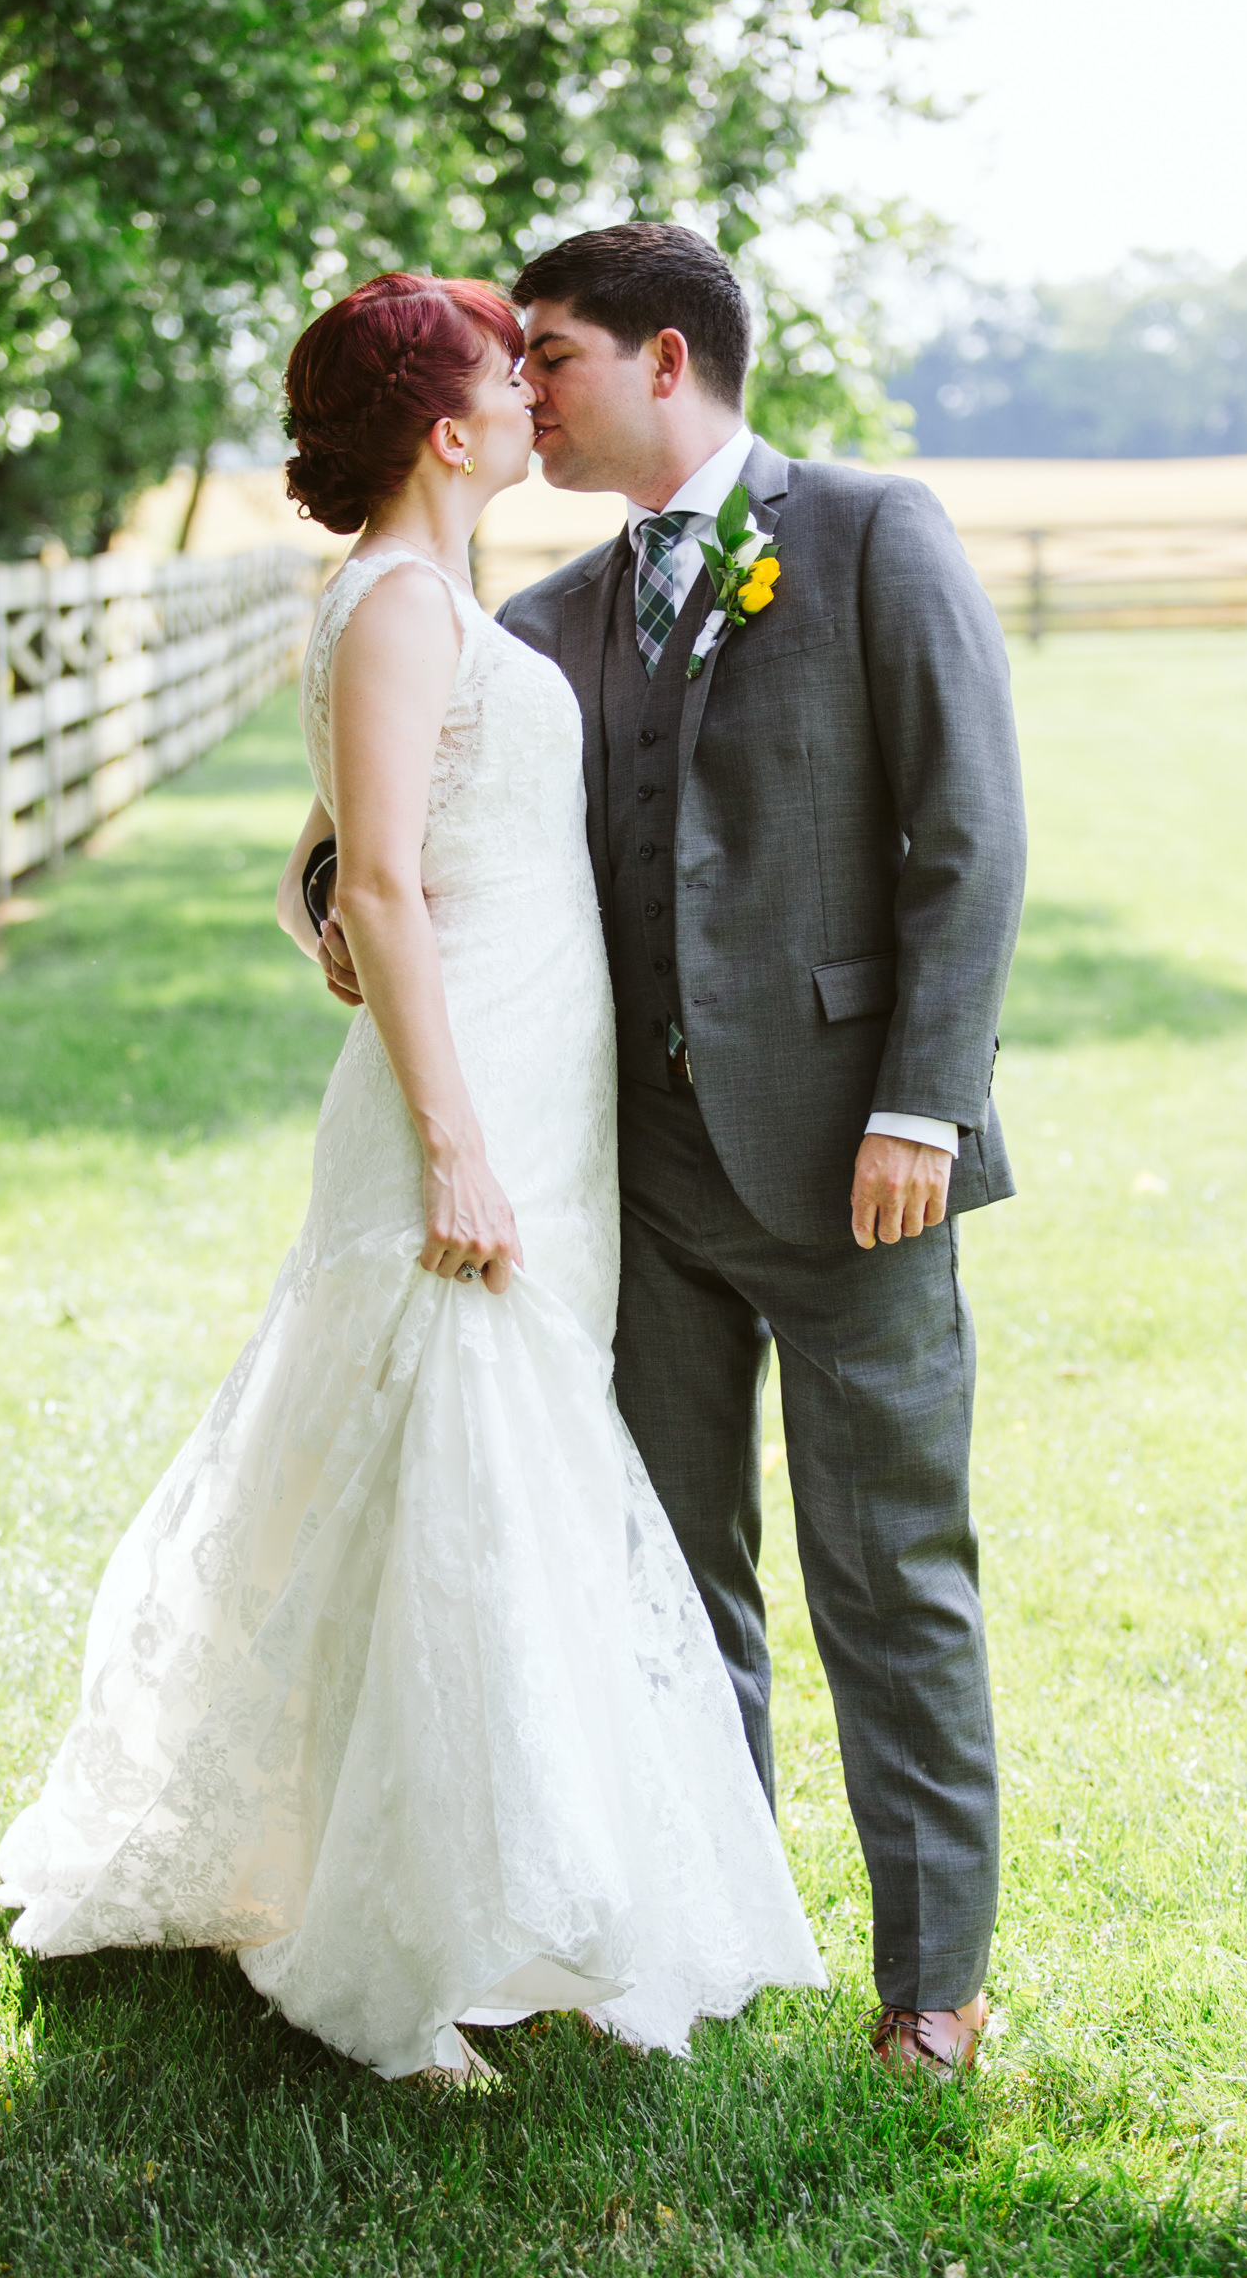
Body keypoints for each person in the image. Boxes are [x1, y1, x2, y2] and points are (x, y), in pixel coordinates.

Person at [0, 272, 825, 2085]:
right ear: (450, 434)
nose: (537, 396)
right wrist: (449, 1135)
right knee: (458, 1442)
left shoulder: (440, 602)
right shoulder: (391, 605)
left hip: (537, 1070)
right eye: (506, 380)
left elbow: (323, 864)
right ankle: (411, 1932)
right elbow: (369, 875)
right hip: (468, 1105)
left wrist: (329, 928)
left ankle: (511, 1884)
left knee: (506, 1457)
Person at [309, 225, 1026, 2079]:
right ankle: (720, 1926)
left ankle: (930, 1979)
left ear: (667, 361)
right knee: (674, 1569)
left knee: (890, 1571)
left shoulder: (874, 538)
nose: (524, 387)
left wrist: (919, 1102)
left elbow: (971, 839)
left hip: (863, 1169)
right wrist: (325, 901)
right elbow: (376, 820)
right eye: (519, 363)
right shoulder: (543, 615)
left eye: (552, 354)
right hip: (628, 1183)